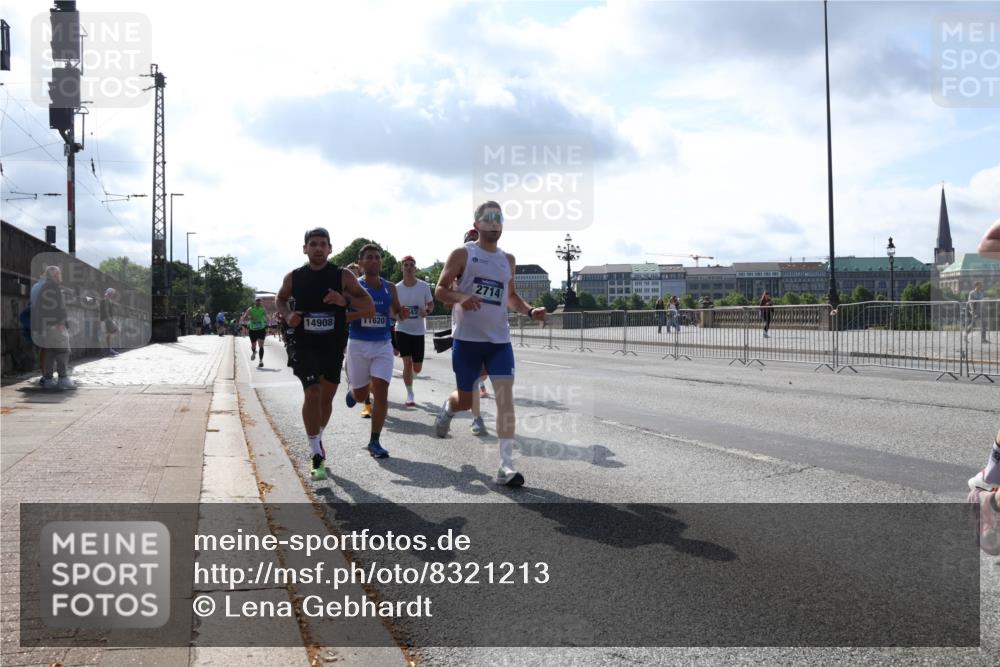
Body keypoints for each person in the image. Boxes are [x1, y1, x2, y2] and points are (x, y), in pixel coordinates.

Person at [434, 201, 547, 486]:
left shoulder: (507, 260)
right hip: (467, 341)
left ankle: (505, 466)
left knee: (505, 398)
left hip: (498, 341)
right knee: (465, 399)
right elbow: (440, 289)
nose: (494, 222)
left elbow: (511, 297)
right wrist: (461, 297)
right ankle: (449, 408)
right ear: (477, 224)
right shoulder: (463, 254)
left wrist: (530, 311)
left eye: (499, 218)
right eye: (488, 218)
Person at [276, 227, 374, 481]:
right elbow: (281, 299)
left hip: (332, 343)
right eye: (313, 244)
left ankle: (317, 438)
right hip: (303, 342)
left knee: (326, 399)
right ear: (305, 249)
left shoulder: (343, 277)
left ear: (330, 249)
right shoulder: (294, 277)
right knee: (313, 391)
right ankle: (315, 453)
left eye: (323, 244)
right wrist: (288, 315)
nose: (318, 248)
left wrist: (344, 302)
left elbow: (368, 306)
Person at [343, 245, 408, 459]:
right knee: (362, 395)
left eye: (377, 258)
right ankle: (354, 392)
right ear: (360, 263)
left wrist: (402, 313)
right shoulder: (353, 288)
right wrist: (363, 313)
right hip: (358, 344)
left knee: (381, 390)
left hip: (382, 344)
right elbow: (340, 317)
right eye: (369, 258)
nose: (374, 261)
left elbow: (397, 312)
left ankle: (375, 441)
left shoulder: (390, 287)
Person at [394, 255, 435, 406]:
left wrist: (427, 311)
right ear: (402, 268)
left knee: (417, 367)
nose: (409, 267)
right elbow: (392, 310)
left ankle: (410, 377)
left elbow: (431, 304)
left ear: (415, 268)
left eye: (412, 265)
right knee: (407, 363)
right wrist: (399, 315)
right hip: (402, 329)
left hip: (418, 331)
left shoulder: (423, 286)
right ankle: (410, 393)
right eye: (406, 265)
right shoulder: (397, 288)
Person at [34, 266, 76, 390]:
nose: (60, 276)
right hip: (55, 325)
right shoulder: (53, 287)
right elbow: (57, 307)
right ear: (55, 275)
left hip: (46, 326)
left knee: (50, 353)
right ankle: (63, 379)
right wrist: (60, 322)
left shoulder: (43, 287)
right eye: (58, 274)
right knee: (63, 351)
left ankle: (48, 380)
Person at [242, 297, 269, 367]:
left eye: (259, 301)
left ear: (261, 302)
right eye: (257, 301)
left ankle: (261, 361)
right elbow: (244, 318)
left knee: (261, 346)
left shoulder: (263, 309)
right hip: (252, 330)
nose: (258, 302)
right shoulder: (250, 309)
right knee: (253, 345)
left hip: (261, 329)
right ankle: (254, 352)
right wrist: (250, 317)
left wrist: (268, 319)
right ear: (255, 302)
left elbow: (267, 317)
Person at [100, 288, 120, 355]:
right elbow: (106, 310)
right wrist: (110, 320)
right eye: (112, 293)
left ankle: (109, 349)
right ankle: (107, 349)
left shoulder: (109, 300)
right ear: (110, 293)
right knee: (116, 331)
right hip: (106, 319)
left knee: (109, 335)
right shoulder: (106, 299)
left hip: (107, 319)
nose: (113, 295)